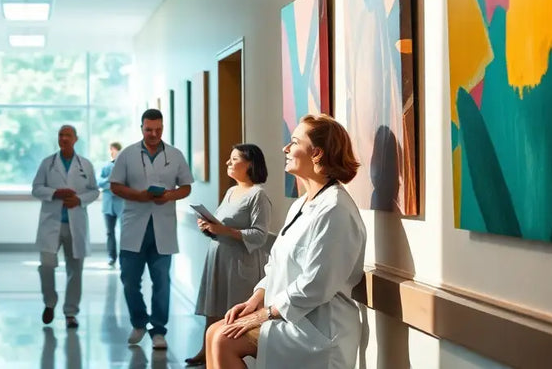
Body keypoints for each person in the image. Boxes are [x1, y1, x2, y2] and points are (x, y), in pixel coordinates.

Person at [205, 114, 366, 369]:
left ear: (316, 153)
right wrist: (254, 300)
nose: (285, 148)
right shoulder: (303, 204)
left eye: (294, 142)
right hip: (291, 315)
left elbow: (316, 285)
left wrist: (264, 314)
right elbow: (277, 265)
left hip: (317, 327)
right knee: (214, 332)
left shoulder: (335, 209)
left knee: (224, 340)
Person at [109, 108, 193, 351]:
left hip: (162, 228)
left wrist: (169, 196)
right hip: (134, 226)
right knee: (129, 281)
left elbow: (186, 186)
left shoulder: (175, 155)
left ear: (163, 128)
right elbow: (115, 186)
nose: (153, 134)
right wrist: (139, 196)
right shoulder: (127, 154)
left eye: (158, 129)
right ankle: (139, 322)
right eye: (149, 130)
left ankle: (158, 330)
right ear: (141, 128)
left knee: (162, 282)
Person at [184, 144, 272, 366]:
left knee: (234, 310)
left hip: (241, 262)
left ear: (250, 164)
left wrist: (224, 230)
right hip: (220, 258)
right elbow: (222, 224)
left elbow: (260, 235)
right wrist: (210, 227)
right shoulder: (232, 191)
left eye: (234, 159)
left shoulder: (258, 195)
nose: (228, 163)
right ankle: (207, 350)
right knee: (214, 307)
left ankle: (229, 352)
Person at [31, 125, 99, 328]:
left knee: (75, 270)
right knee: (47, 266)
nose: (64, 138)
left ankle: (71, 313)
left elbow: (94, 191)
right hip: (51, 223)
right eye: (61, 135)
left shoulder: (85, 165)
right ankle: (49, 303)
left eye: (68, 135)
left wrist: (78, 200)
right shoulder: (47, 163)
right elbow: (36, 189)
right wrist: (54, 193)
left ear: (75, 139)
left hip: (75, 224)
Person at [98, 141, 124, 267]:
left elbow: (125, 184)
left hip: (122, 204)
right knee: (110, 232)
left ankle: (124, 256)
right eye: (113, 150)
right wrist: (111, 183)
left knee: (124, 232)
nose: (114, 153)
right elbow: (99, 182)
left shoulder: (125, 167)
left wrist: (111, 185)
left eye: (116, 150)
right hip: (108, 206)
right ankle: (111, 257)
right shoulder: (105, 167)